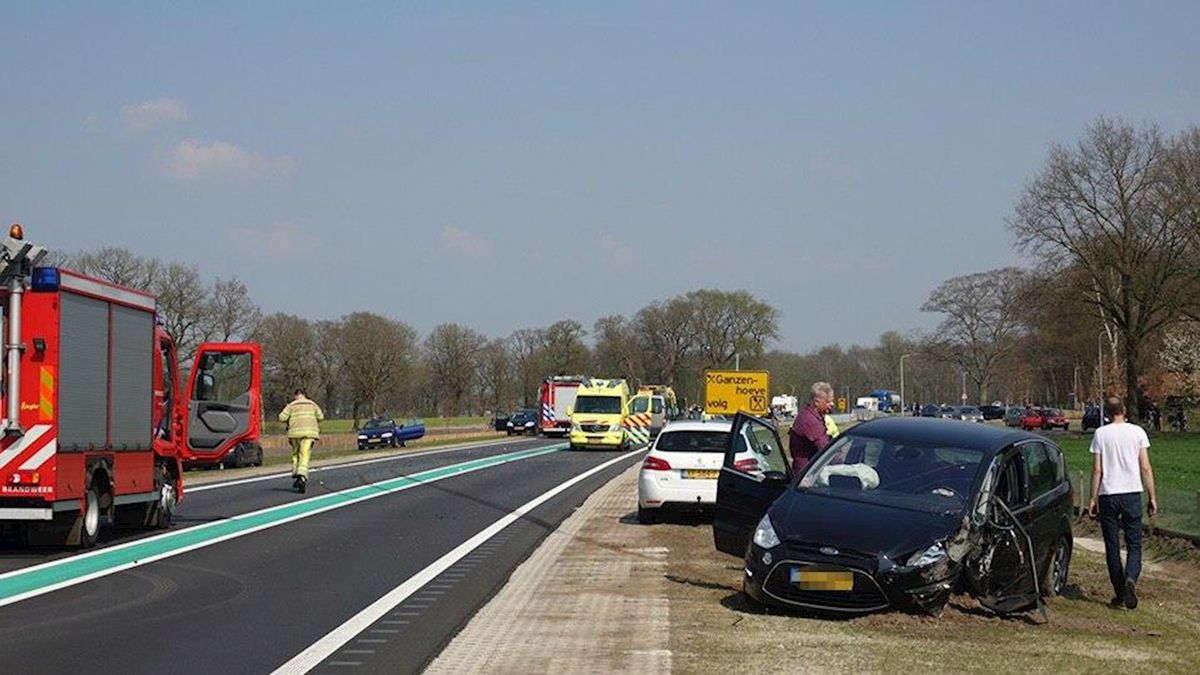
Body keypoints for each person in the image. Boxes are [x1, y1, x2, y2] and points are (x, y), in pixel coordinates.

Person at [1087, 396, 1158, 610]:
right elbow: (1145, 467)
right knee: (1134, 543)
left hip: (1108, 494)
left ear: (1107, 413)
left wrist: (1093, 498)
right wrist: (1152, 496)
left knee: (1112, 546)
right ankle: (1131, 579)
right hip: (1131, 493)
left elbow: (1098, 469)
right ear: (1124, 410)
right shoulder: (1137, 432)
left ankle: (1119, 592)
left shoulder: (1101, 433)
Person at [278, 388, 325, 493]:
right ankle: (302, 476)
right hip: (309, 434)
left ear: (296, 395)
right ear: (305, 394)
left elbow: (281, 417)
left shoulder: (291, 405)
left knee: (295, 454)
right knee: (304, 454)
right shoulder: (312, 404)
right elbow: (321, 417)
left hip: (295, 434)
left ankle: (296, 473)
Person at [789, 382, 834, 473]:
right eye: (828, 401)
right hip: (805, 476)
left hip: (812, 472)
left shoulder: (815, 417)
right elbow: (825, 450)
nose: (832, 404)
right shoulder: (809, 421)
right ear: (817, 402)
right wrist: (847, 463)